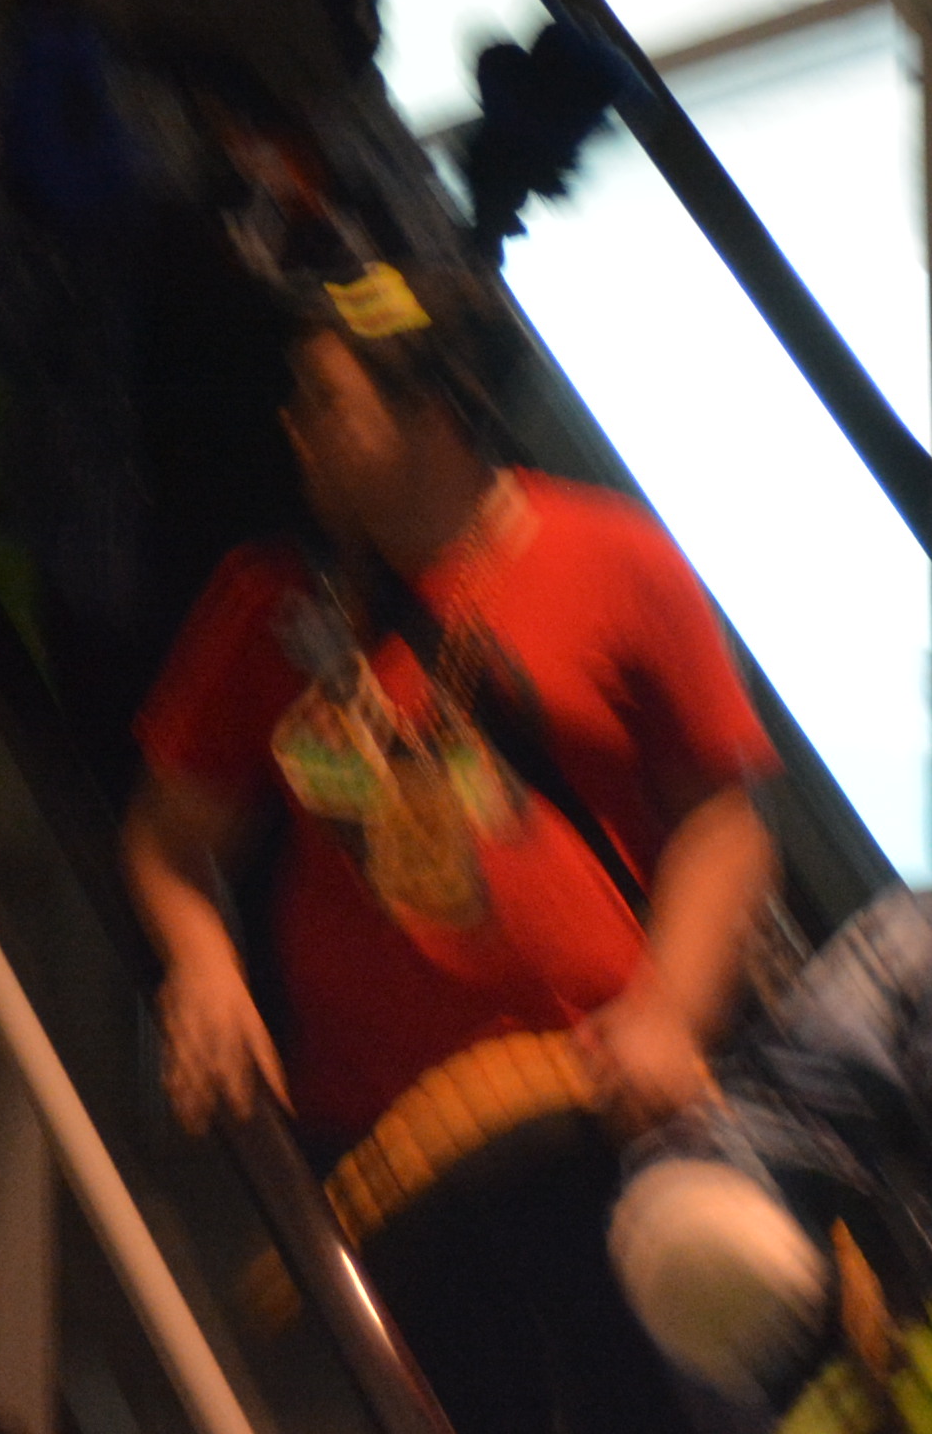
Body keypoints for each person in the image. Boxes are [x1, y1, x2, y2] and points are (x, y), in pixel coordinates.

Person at [126, 257, 776, 1434]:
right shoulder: (273, 604)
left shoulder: (609, 553)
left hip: (602, 1104)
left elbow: (723, 821)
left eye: (327, 401)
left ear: (426, 412)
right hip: (387, 1151)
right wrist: (205, 964)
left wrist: (673, 1011)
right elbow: (168, 840)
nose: (296, 428)